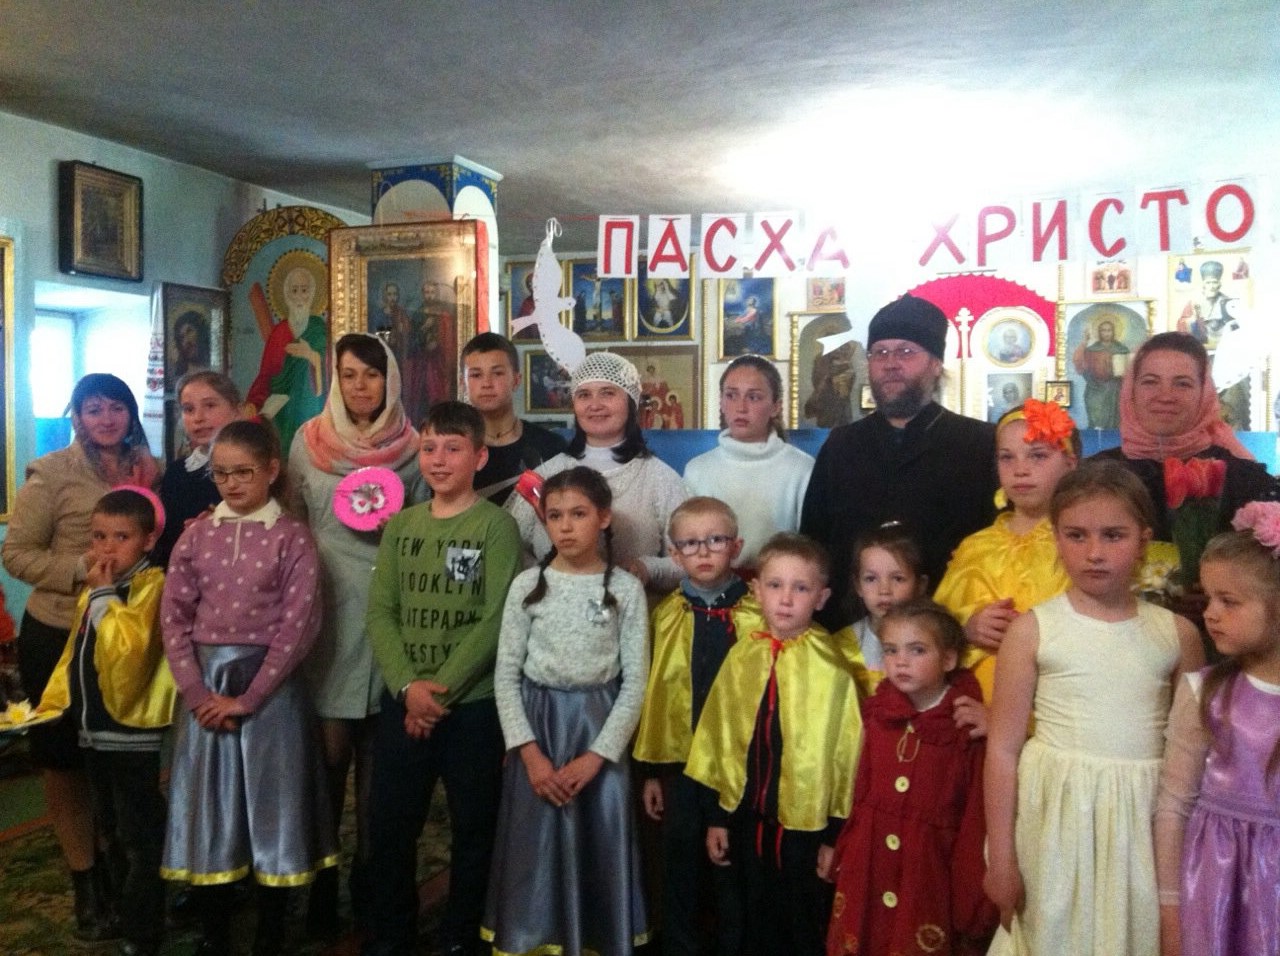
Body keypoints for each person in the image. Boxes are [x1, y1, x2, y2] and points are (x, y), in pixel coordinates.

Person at [984, 462, 1204, 956]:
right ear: (1056, 537)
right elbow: (1002, 750)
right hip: (1057, 819)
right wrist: (1001, 857)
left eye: (1113, 535)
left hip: (1142, 824)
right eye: (1077, 535)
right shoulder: (1032, 630)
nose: (1095, 552)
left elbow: (1190, 757)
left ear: (1143, 540)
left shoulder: (1177, 635)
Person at [161, 419, 336, 956]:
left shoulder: (292, 538)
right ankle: (215, 931)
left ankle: (270, 931)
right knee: (213, 808)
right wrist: (197, 694)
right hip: (206, 687)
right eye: (221, 474)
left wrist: (250, 696)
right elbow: (173, 617)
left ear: (271, 470)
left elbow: (299, 623)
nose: (231, 484)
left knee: (272, 804)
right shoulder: (195, 536)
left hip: (270, 690)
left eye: (243, 473)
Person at [2, 372, 160, 942]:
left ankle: (123, 870)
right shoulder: (51, 473)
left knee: (121, 761)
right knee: (64, 761)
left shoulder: (150, 469)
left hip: (128, 634)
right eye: (94, 409)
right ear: (77, 416)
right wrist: (80, 571)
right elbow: (16, 554)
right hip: (59, 633)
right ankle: (85, 882)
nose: (106, 419)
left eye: (116, 407)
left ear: (130, 414)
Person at [363, 401, 521, 956]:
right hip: (404, 701)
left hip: (471, 707)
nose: (438, 459)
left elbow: (495, 618)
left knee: (474, 828)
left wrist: (439, 692)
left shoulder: (496, 527)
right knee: (390, 826)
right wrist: (409, 687)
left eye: (453, 448)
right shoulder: (402, 526)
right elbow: (381, 612)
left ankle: (461, 935)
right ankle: (392, 934)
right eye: (429, 448)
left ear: (479, 457)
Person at [287, 332, 425, 934]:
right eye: (349, 374)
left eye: (372, 374)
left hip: (391, 607)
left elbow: (426, 524)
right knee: (327, 758)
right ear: (336, 381)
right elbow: (294, 521)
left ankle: (373, 881)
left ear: (390, 379)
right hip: (327, 607)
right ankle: (320, 881)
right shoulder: (307, 441)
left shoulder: (415, 447)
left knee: (381, 759)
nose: (361, 385)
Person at [483, 467, 651, 956]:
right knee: (534, 843)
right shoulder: (527, 586)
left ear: (603, 518)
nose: (565, 526)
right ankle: (534, 936)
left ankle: (595, 938)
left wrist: (598, 756)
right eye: (554, 516)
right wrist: (529, 754)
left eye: (578, 514)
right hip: (538, 730)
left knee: (596, 840)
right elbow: (506, 675)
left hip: (598, 729)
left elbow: (635, 682)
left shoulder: (625, 590)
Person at [685, 533, 862, 956]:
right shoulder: (743, 655)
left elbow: (846, 758)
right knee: (748, 915)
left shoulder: (831, 669)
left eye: (800, 588)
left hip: (805, 830)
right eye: (776, 585)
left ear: (821, 598)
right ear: (757, 591)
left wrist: (834, 837)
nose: (785, 599)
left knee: (802, 921)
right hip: (746, 819)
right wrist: (717, 817)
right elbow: (719, 740)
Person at [801, 294, 997, 628]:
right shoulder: (841, 445)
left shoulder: (979, 444)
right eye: (880, 352)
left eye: (906, 351)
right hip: (847, 638)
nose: (890, 363)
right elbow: (813, 546)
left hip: (948, 635)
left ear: (936, 364)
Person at [36, 488, 173, 956]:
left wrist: (102, 596)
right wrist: (54, 705)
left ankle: (144, 931)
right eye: (98, 537)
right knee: (109, 830)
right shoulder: (101, 588)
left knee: (140, 835)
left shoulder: (150, 586)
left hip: (131, 732)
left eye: (121, 537)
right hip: (94, 731)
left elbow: (129, 653)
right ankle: (121, 912)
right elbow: (75, 656)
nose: (107, 548)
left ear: (148, 540)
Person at [826, 600, 998, 956]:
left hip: (929, 870)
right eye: (891, 650)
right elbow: (861, 791)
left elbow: (975, 818)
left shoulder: (965, 725)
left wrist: (972, 895)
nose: (900, 661)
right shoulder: (878, 714)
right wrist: (844, 850)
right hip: (870, 860)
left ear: (948, 659)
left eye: (917, 650)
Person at [633, 497, 763, 956]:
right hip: (683, 768)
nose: (703, 551)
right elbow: (655, 694)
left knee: (734, 865)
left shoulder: (757, 615)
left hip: (740, 767)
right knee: (681, 862)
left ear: (736, 547)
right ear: (674, 554)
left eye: (715, 540)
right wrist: (652, 771)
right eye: (690, 543)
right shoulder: (667, 615)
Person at [1154, 510, 1280, 956]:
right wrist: (1170, 912)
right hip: (1212, 892)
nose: (1210, 613)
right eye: (1209, 598)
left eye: (1229, 601)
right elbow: (1173, 806)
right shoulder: (1203, 693)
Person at [1091, 332, 1279, 590]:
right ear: (1130, 391)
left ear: (1205, 394)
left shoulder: (1246, 481)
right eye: (1150, 382)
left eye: (1182, 384)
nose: (1165, 395)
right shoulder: (1095, 475)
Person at [506, 351, 689, 593]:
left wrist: (647, 568)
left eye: (607, 393)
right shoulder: (545, 475)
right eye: (584, 395)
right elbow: (509, 549)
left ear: (631, 402)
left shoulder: (661, 479)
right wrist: (550, 580)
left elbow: (691, 558)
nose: (595, 405)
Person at [934, 399, 1079, 702]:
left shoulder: (1079, 545)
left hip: (1057, 704)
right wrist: (968, 628)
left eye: (1037, 455)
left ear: (1070, 463)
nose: (1020, 470)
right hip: (976, 705)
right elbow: (934, 627)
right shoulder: (976, 548)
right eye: (1007, 457)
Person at [684, 356, 814, 571]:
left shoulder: (802, 469)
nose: (741, 407)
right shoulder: (698, 470)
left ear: (775, 407)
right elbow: (685, 542)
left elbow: (810, 549)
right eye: (731, 395)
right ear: (721, 402)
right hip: (712, 584)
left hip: (782, 585)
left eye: (753, 397)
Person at [461, 332, 568, 506]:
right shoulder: (451, 450)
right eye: (476, 375)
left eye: (497, 373)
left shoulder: (551, 446)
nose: (487, 384)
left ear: (516, 380)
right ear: (463, 384)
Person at [154, 370, 242, 567]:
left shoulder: (253, 468)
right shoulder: (176, 473)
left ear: (236, 411)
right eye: (189, 409)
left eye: (209, 405)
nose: (198, 418)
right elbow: (168, 542)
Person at [830, 521, 929, 693]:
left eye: (897, 578)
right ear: (858, 586)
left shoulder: (934, 640)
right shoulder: (841, 646)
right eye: (871, 579)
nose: (884, 590)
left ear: (920, 585)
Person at [246, 264, 327, 454]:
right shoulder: (279, 333)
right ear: (286, 295)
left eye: (304, 290)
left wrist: (311, 356)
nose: (299, 297)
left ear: (312, 294)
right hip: (281, 411)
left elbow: (331, 373)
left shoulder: (319, 328)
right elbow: (266, 375)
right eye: (294, 290)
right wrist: (253, 402)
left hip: (313, 409)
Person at [1072, 317, 1130, 429]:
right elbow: (1080, 363)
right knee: (1096, 417)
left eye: (1109, 330)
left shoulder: (1122, 349)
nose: (1106, 333)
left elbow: (1129, 369)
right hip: (1095, 388)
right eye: (1103, 330)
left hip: (1115, 388)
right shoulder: (1091, 350)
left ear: (1113, 332)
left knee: (1115, 420)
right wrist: (1085, 341)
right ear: (1099, 332)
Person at [1176, 260, 1233, 348]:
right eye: (1208, 282)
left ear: (1219, 284)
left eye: (1214, 282)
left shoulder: (1228, 302)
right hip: (1200, 346)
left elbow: (1235, 326)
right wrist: (1192, 321)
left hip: (1224, 345)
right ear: (1203, 284)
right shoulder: (1194, 302)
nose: (1212, 286)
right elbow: (1181, 323)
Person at [171, 309, 211, 381]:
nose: (186, 341)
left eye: (189, 332)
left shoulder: (213, 369)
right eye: (182, 337)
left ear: (200, 332)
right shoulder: (184, 378)